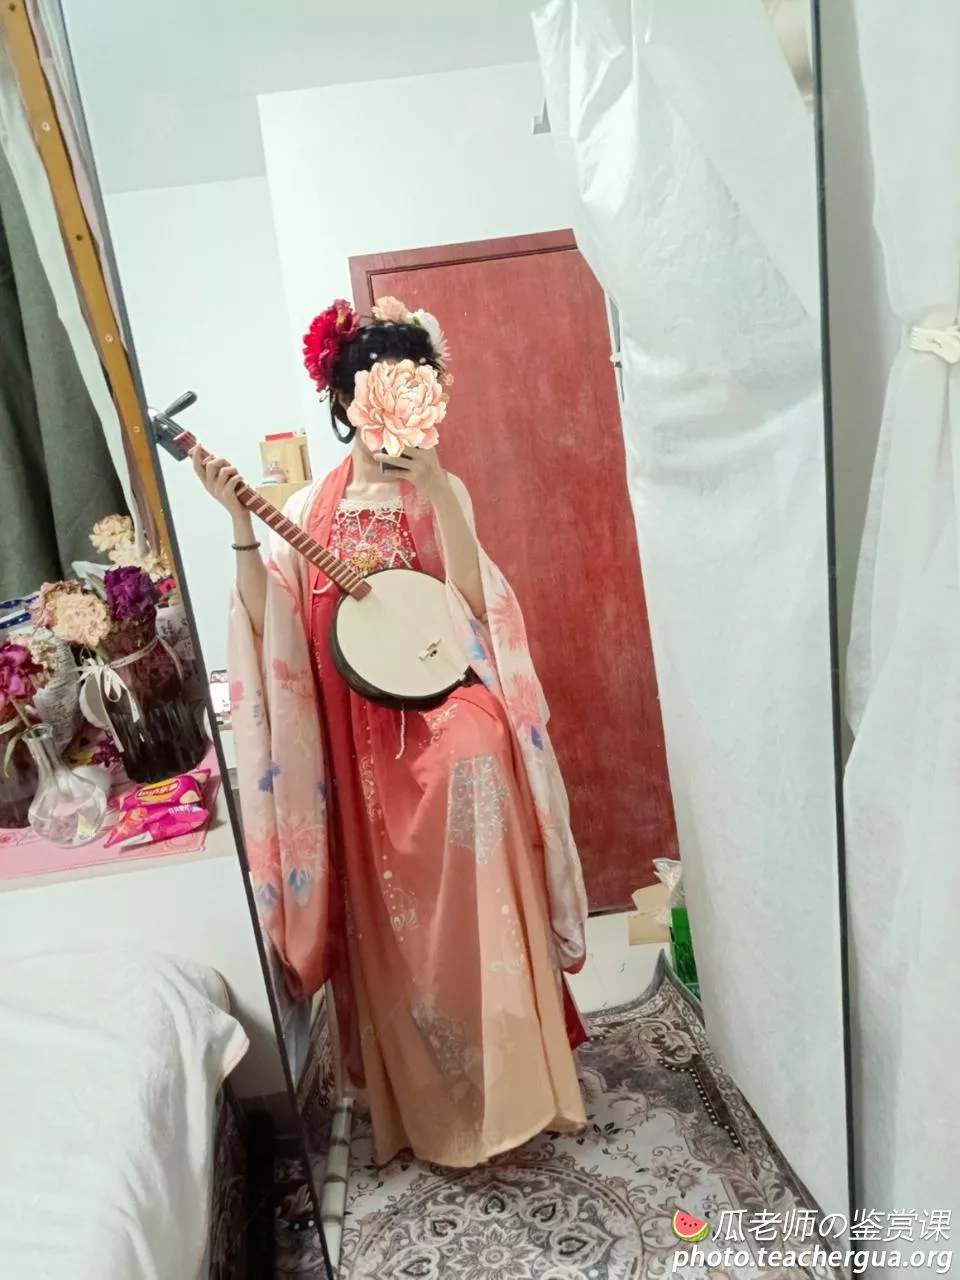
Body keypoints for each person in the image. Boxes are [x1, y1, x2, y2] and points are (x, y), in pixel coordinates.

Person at [195, 298, 588, 1167]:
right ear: (345, 401)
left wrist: (439, 485)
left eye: (412, 387)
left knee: (478, 765)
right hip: (360, 744)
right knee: (401, 926)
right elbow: (271, 628)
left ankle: (519, 1084)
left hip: (444, 711)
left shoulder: (441, 490)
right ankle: (434, 1103)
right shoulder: (310, 505)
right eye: (374, 390)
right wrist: (239, 527)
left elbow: (477, 605)